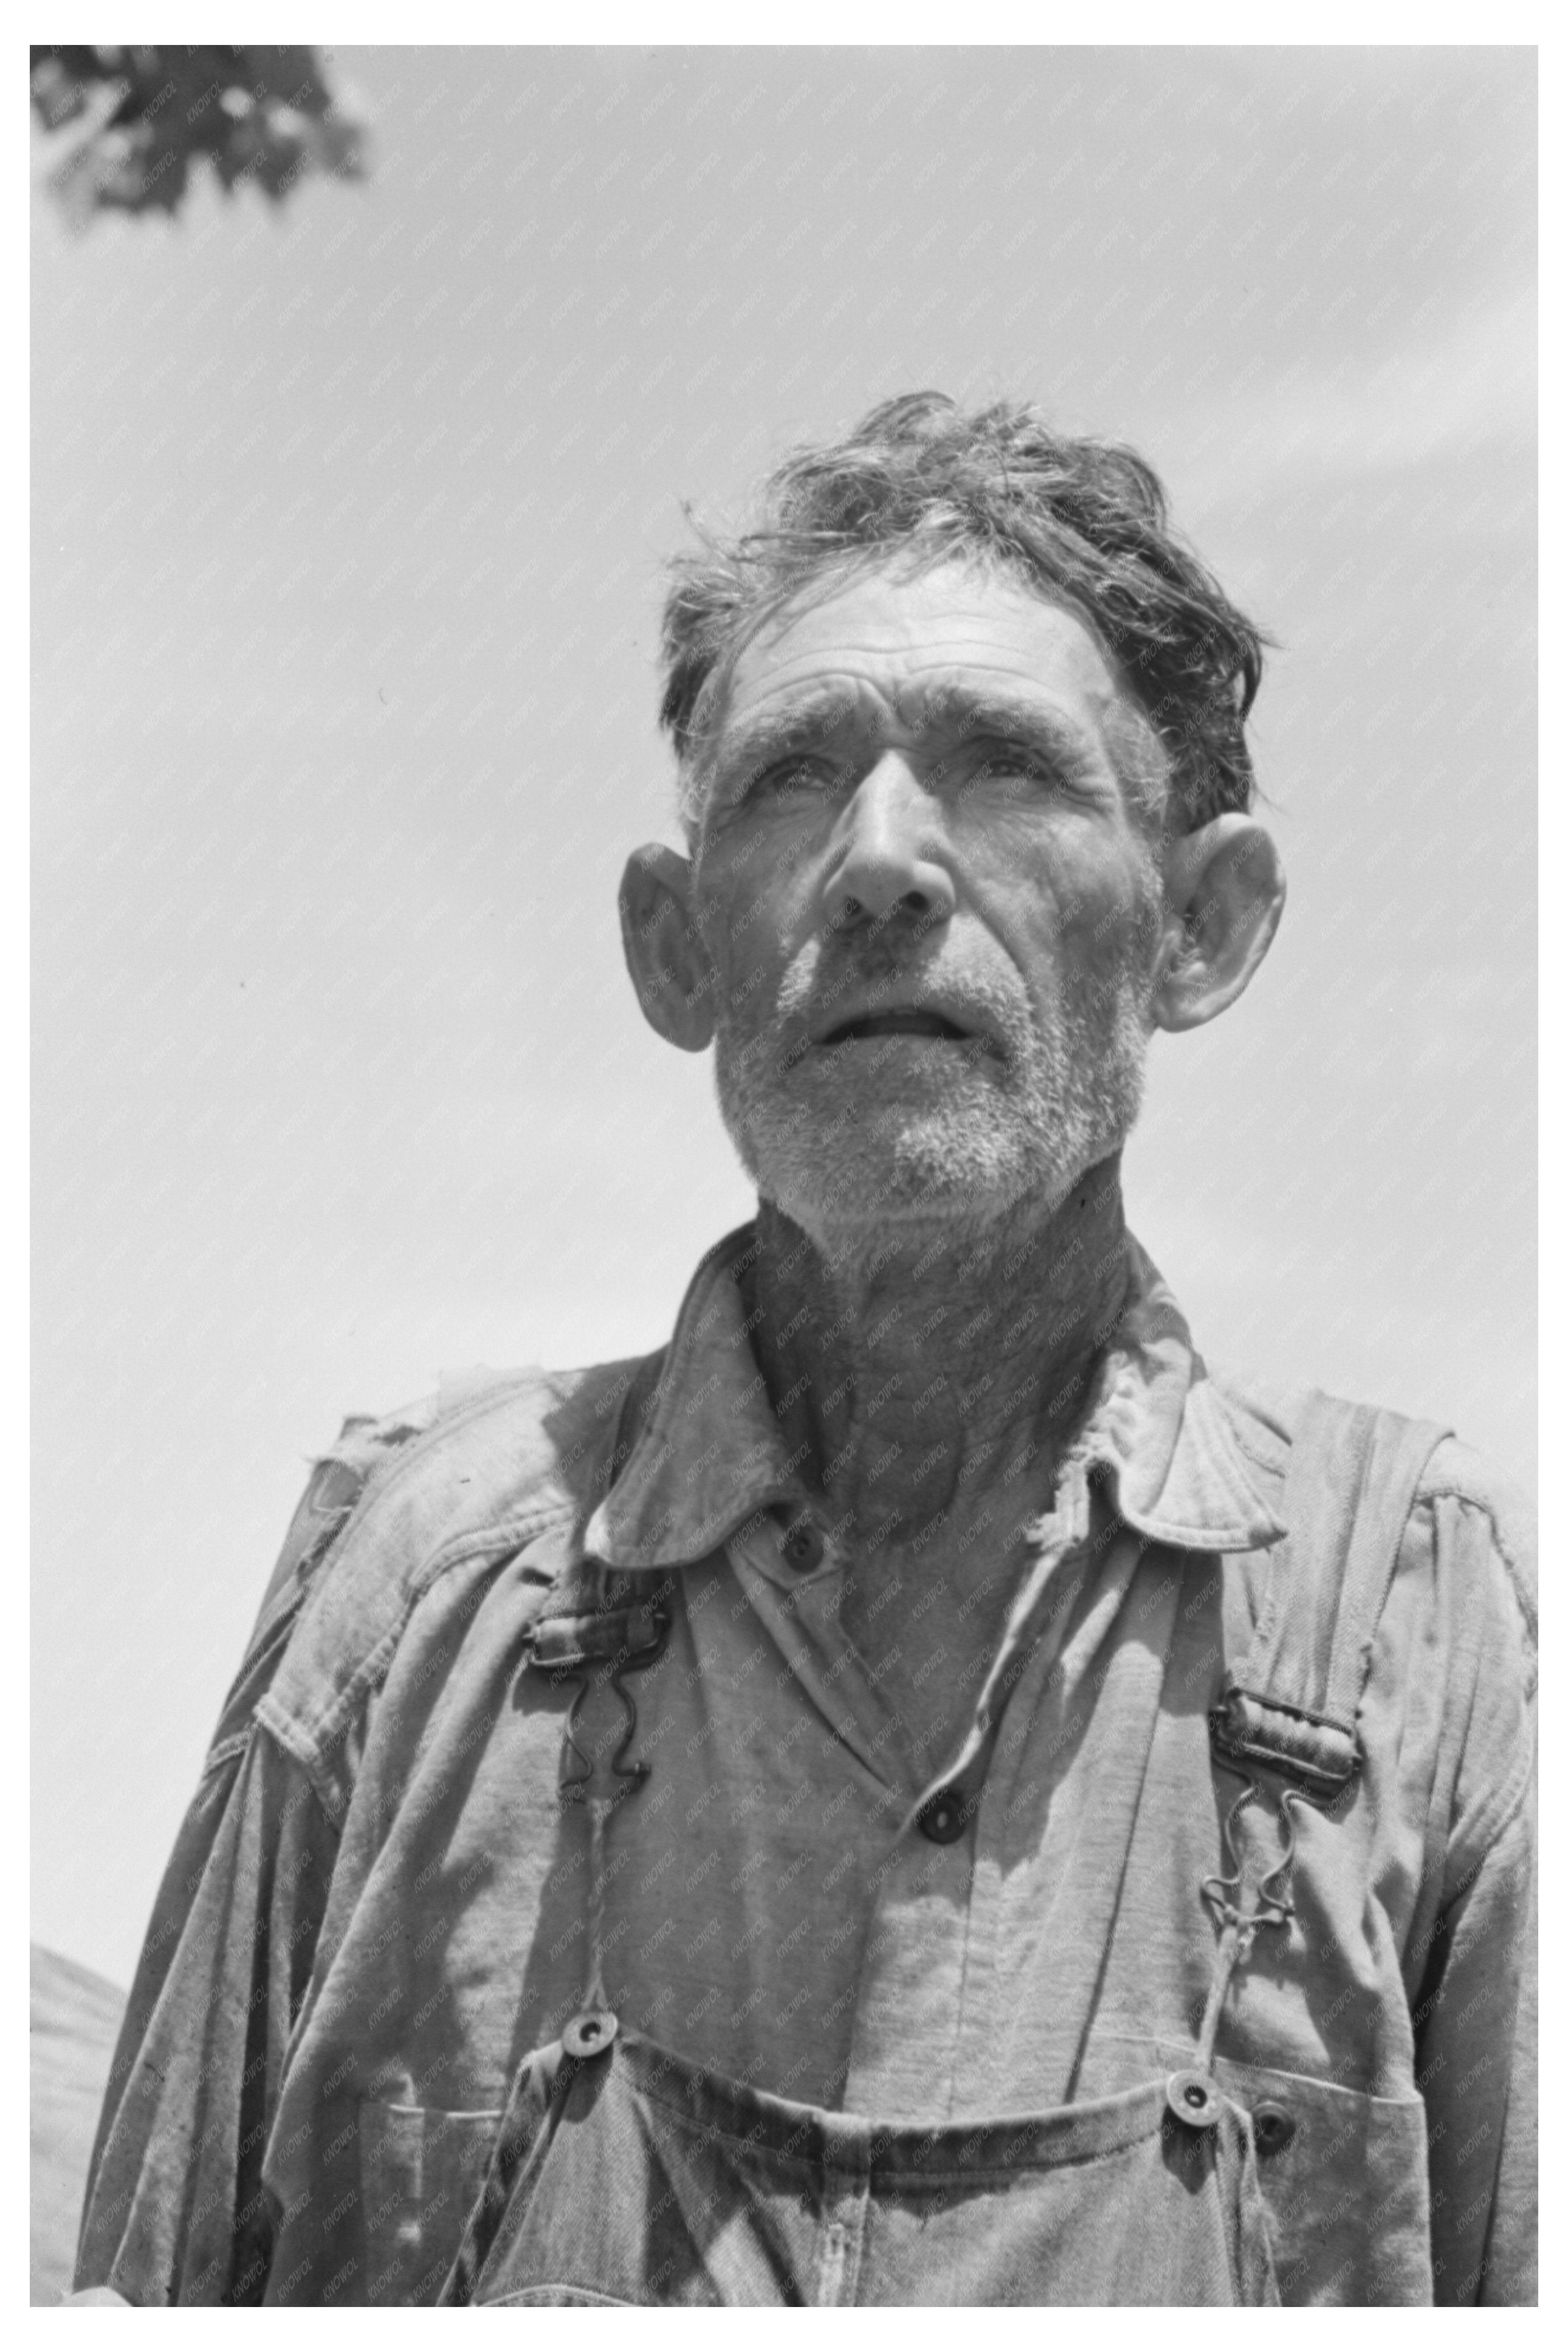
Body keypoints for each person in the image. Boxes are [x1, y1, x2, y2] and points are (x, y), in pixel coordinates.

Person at [72, 394, 1535, 2307]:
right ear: (675, 948)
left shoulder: (1401, 1617)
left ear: (1201, 925)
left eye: (1007, 769)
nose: (879, 862)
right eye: (790, 780)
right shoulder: (427, 1575)